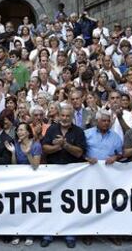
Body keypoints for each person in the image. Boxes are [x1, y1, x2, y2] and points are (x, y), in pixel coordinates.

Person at [41, 104, 86, 248]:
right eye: (63, 115)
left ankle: (70, 235)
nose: (65, 118)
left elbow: (80, 152)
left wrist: (66, 145)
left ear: (72, 117)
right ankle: (48, 234)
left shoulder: (78, 132)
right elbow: (45, 149)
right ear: (59, 115)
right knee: (52, 204)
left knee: (70, 206)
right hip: (53, 172)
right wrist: (58, 147)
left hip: (72, 174)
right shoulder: (51, 129)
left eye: (68, 116)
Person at [4, 122, 41, 246]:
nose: (19, 132)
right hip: (19, 180)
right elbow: (14, 165)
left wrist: (28, 153)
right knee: (18, 207)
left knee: (29, 207)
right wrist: (14, 153)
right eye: (18, 130)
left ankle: (29, 233)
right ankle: (18, 232)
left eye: (21, 130)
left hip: (32, 180)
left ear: (28, 132)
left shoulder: (36, 145)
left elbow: (35, 166)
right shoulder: (16, 144)